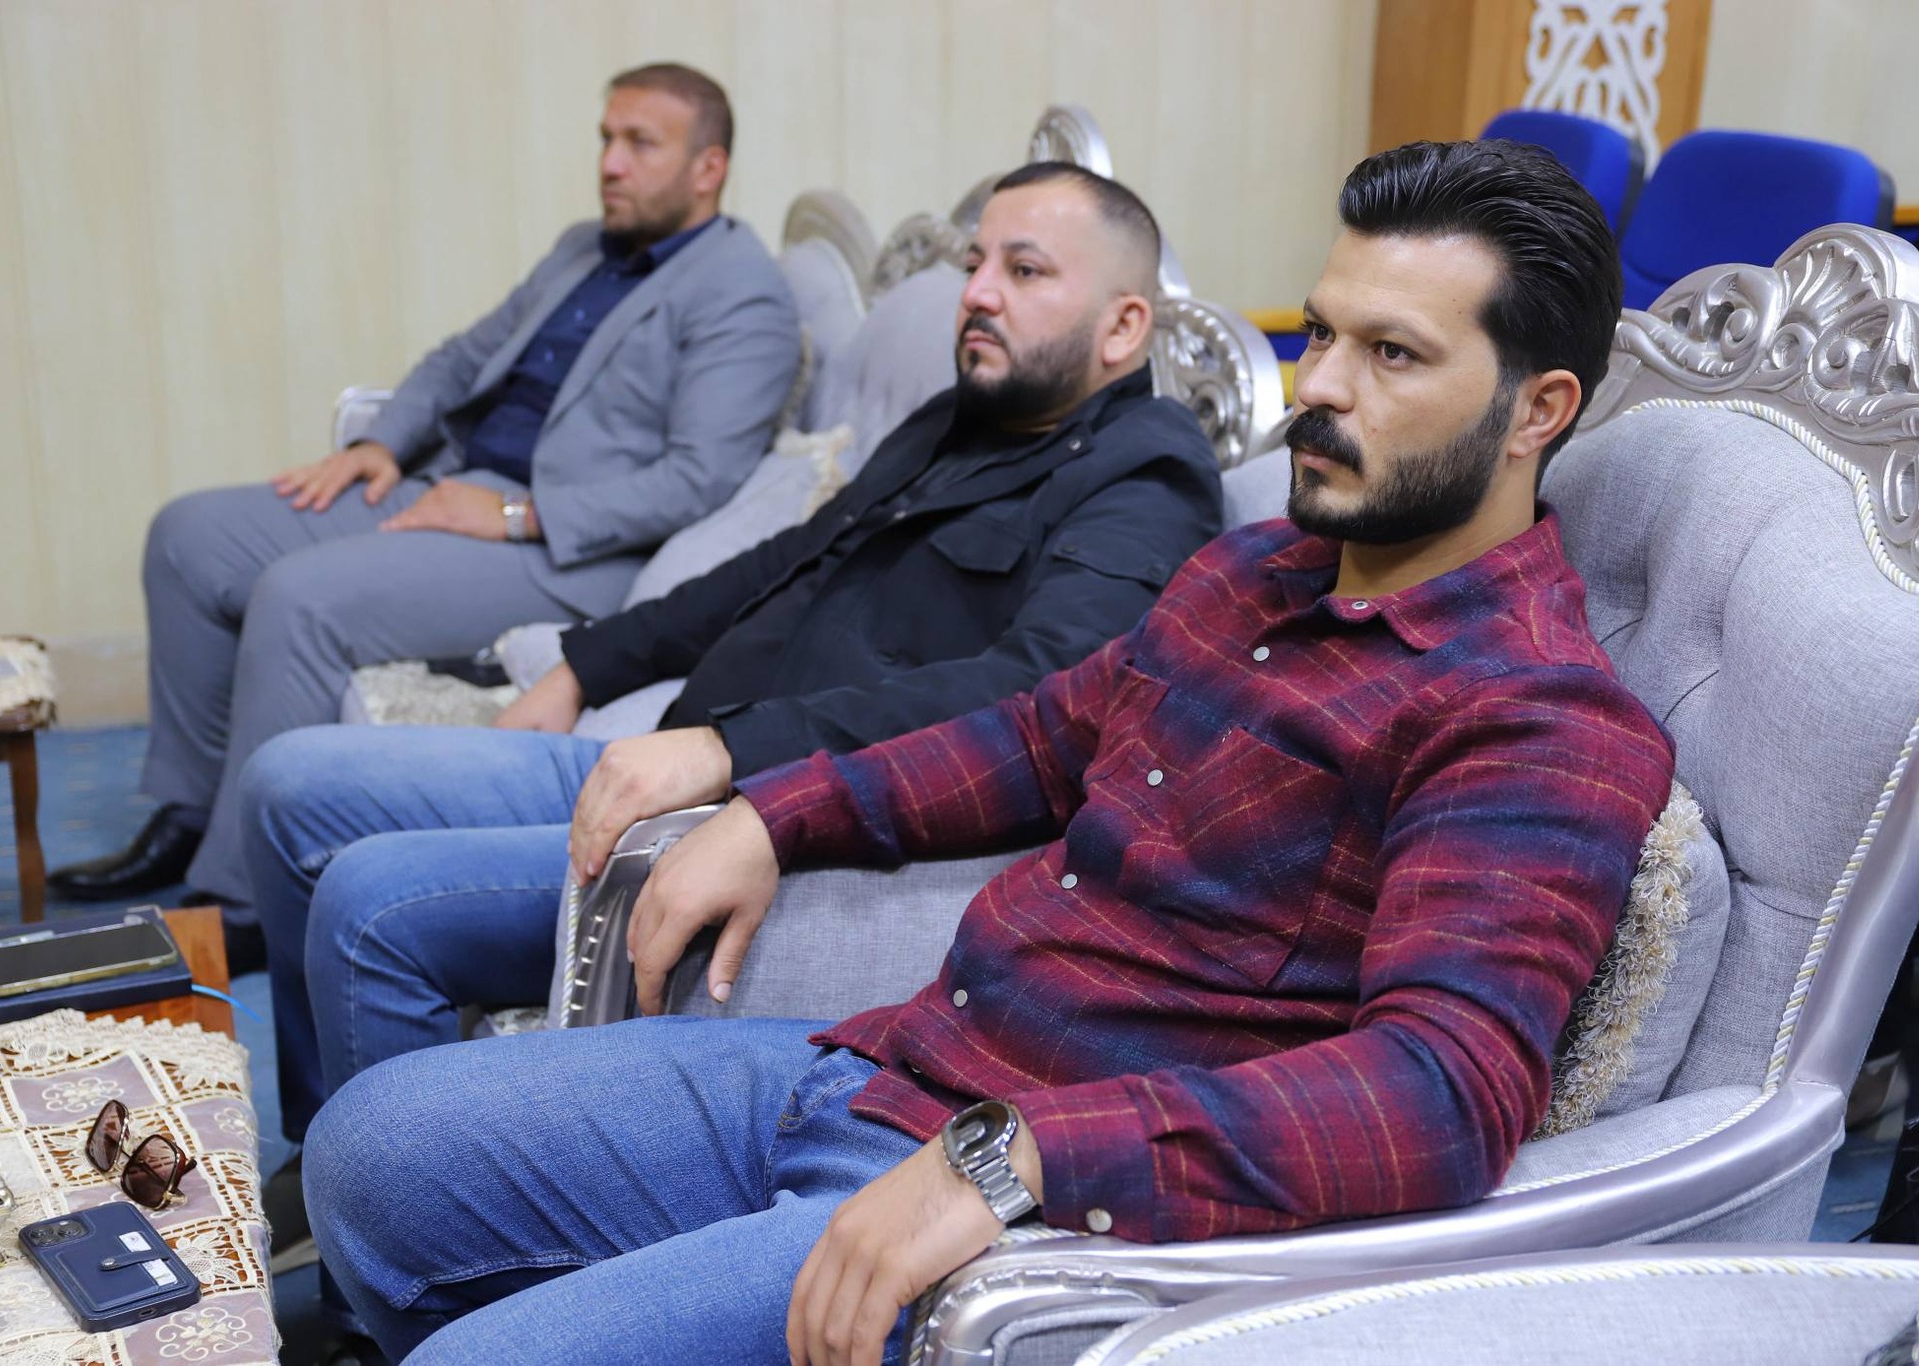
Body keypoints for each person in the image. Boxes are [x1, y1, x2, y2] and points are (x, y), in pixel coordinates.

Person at [304, 138, 1676, 1366]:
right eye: (1319, 332)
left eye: (1392, 355)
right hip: (891, 1064)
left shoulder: (1534, 714)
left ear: (1537, 409)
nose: (1314, 387)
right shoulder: (1254, 568)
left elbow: (1439, 1093)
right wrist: (777, 811)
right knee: (368, 1155)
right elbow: (1036, 736)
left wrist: (1023, 1153)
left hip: (1030, 1213)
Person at [239, 161, 1220, 1260]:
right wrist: (583, 665)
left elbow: (1032, 701)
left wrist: (731, 751)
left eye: (1024, 271)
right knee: (288, 783)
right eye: (975, 262)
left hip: (750, 803)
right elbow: (784, 562)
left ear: (1123, 325)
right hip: (675, 748)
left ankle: (363, 1260)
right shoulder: (964, 418)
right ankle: (319, 1163)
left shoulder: (1146, 479)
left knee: (372, 903)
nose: (978, 292)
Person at [47, 63, 803, 947]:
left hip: (566, 552)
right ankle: (189, 812)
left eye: (641, 144)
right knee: (189, 538)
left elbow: (699, 478)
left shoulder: (744, 292)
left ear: (709, 168)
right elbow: (461, 358)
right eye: (606, 138)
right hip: (456, 483)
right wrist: (381, 443)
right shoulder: (583, 249)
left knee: (299, 599)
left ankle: (239, 904)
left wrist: (518, 517)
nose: (610, 162)